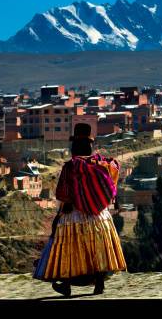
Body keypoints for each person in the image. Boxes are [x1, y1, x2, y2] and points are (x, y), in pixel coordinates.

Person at [33, 123, 127, 297]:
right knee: (98, 250)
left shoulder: (71, 166)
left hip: (74, 216)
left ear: (74, 146)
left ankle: (66, 285)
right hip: (100, 216)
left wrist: (68, 204)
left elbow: (63, 192)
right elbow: (110, 186)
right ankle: (99, 285)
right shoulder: (102, 164)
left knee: (68, 248)